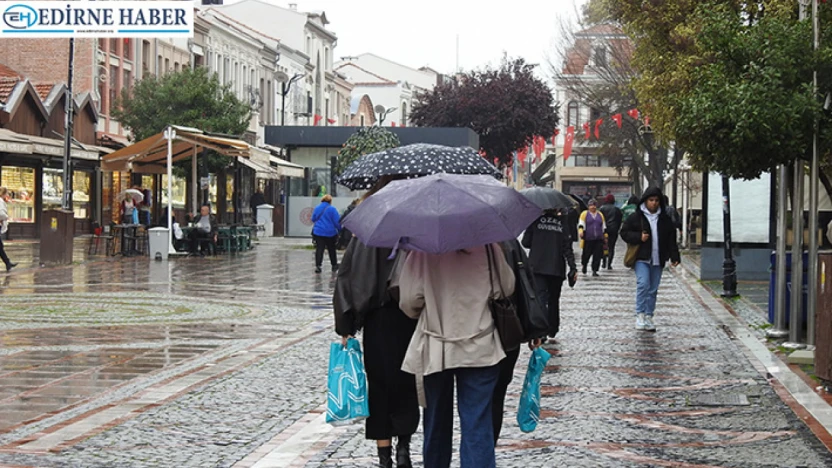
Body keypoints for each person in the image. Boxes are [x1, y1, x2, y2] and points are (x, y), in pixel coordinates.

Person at [399, 243, 514, 468]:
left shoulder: (422, 251)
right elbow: (505, 288)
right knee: (478, 423)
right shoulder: (489, 248)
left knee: (435, 423)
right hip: (481, 346)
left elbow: (409, 301)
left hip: (436, 348)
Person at [333, 181, 418, 468]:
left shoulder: (366, 231)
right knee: (406, 381)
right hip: (408, 317)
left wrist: (346, 324)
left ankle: (384, 456)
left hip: (376, 319)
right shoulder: (414, 228)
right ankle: (404, 448)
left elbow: (349, 276)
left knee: (379, 385)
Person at [620, 187, 681, 332]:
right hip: (642, 257)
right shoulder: (636, 217)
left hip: (658, 258)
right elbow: (624, 232)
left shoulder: (664, 219)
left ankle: (649, 315)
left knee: (653, 289)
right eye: (651, 200)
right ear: (645, 201)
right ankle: (640, 314)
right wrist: (638, 237)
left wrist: (675, 256)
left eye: (656, 200)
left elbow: (670, 239)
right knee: (643, 284)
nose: (654, 203)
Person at [521, 208, 577, 339]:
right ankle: (553, 328)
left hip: (538, 265)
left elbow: (525, 242)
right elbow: (567, 247)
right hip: (556, 266)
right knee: (553, 299)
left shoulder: (535, 221)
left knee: (541, 298)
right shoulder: (562, 223)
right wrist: (573, 267)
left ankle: (542, 330)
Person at [312, 194, 340, 273]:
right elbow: (336, 221)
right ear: (330, 201)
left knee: (319, 249)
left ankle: (318, 266)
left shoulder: (317, 208)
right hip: (330, 232)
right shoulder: (332, 209)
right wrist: (340, 229)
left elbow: (313, 218)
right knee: (331, 249)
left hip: (318, 232)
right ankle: (334, 265)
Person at [578, 199, 606, 277]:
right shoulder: (584, 214)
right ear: (588, 206)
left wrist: (605, 236)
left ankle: (594, 270)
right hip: (588, 238)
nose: (593, 207)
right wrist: (581, 231)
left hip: (598, 238)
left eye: (594, 205)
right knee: (586, 254)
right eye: (591, 205)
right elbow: (581, 224)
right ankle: (584, 265)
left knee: (597, 255)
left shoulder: (600, 214)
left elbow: (603, 226)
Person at [599, 194, 623, 269]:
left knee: (604, 246)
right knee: (611, 247)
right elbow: (619, 220)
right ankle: (609, 264)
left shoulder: (602, 209)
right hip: (613, 230)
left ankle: (603, 262)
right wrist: (617, 228)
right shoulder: (617, 209)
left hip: (604, 230)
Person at [0, 187, 17, 272]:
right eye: (6, 193)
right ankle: (8, 263)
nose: (7, 195)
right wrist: (7, 217)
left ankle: (8, 263)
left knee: (0, 247)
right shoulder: (0, 201)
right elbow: (1, 213)